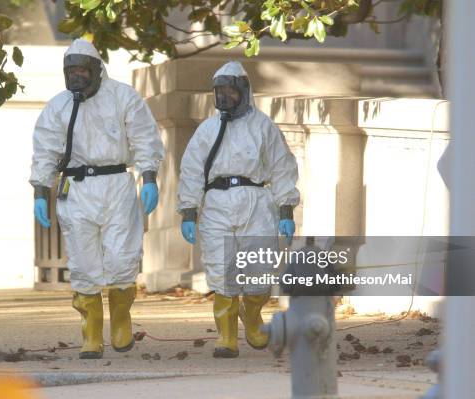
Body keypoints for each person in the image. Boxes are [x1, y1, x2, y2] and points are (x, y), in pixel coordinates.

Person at [30, 39, 164, 359]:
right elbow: (45, 150)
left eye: (81, 70)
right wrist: (39, 191)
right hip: (76, 189)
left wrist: (148, 176)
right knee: (83, 263)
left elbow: (145, 137)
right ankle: (91, 333)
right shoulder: (58, 107)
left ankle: (120, 321)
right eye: (71, 70)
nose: (77, 76)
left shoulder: (123, 97)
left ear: (96, 70)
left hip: (116, 183)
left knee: (122, 258)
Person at [177, 61, 300, 358]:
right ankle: (226, 337)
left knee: (259, 271)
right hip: (217, 204)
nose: (225, 97)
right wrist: (189, 212)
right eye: (220, 91)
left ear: (243, 91)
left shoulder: (262, 126)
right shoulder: (208, 129)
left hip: (256, 202)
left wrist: (285, 209)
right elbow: (192, 171)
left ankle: (253, 316)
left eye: (231, 91)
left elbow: (282, 167)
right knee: (222, 270)